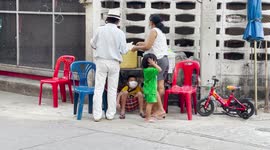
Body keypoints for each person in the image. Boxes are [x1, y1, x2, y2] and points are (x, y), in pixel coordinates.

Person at [90, 9, 130, 122]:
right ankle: (110, 114)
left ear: (107, 19)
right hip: (114, 63)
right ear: (117, 20)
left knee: (98, 88)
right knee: (112, 89)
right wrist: (129, 47)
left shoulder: (99, 30)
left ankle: (97, 115)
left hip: (101, 61)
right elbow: (124, 50)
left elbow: (93, 44)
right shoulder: (120, 33)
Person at [131, 14, 168, 119]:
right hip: (164, 59)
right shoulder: (160, 31)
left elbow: (147, 47)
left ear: (151, 22)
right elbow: (149, 43)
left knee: (153, 87)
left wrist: (135, 48)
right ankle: (156, 110)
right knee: (160, 87)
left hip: (157, 60)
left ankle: (159, 109)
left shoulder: (153, 31)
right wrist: (140, 43)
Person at [141, 53, 162, 123]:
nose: (156, 62)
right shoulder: (150, 70)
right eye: (155, 61)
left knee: (149, 103)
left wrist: (153, 64)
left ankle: (148, 117)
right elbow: (160, 69)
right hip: (151, 89)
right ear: (150, 62)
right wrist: (153, 64)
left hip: (148, 89)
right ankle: (147, 118)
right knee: (150, 104)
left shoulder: (147, 69)